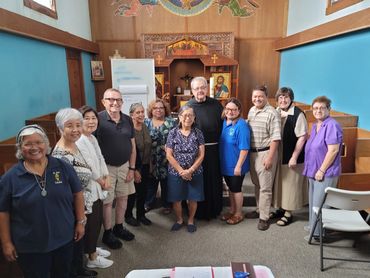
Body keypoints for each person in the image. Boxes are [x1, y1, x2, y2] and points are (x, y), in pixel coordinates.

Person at [0, 125, 85, 278]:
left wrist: (80, 221)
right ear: (20, 148)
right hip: (30, 246)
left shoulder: (62, 167)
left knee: (64, 274)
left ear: (46, 144)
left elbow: (78, 194)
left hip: (64, 239)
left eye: (39, 142)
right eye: (28, 144)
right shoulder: (10, 178)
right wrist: (6, 242)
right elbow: (3, 212)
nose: (34, 147)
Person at [52, 108, 100, 277]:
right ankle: (75, 272)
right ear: (59, 128)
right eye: (69, 126)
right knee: (72, 242)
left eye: (78, 125)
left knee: (78, 242)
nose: (75, 129)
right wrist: (79, 217)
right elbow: (64, 191)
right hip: (71, 208)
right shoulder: (60, 156)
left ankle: (79, 269)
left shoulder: (74, 145)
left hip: (82, 205)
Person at [95, 88, 136, 250]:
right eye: (110, 99)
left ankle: (119, 227)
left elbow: (132, 146)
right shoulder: (97, 119)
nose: (115, 103)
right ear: (103, 101)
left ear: (122, 102)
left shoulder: (127, 119)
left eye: (118, 99)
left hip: (125, 166)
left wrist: (132, 168)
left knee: (123, 198)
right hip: (106, 168)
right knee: (107, 201)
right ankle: (108, 232)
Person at [76, 106, 114, 269]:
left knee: (96, 220)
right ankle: (91, 257)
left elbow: (100, 158)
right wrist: (101, 180)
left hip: (99, 183)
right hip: (89, 187)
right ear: (80, 121)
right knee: (91, 222)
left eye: (94, 118)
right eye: (87, 118)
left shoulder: (91, 137)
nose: (91, 121)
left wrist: (106, 176)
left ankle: (92, 249)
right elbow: (88, 165)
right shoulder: (80, 140)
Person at [303, 96, 343, 239]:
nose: (318, 110)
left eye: (322, 107)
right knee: (314, 200)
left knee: (320, 204)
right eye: (315, 108)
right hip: (313, 170)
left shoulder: (332, 125)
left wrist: (321, 170)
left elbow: (333, 150)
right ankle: (313, 226)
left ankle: (318, 234)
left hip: (325, 172)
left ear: (328, 109)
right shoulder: (315, 125)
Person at [187, 76, 224, 220]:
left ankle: (214, 209)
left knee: (213, 180)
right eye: (197, 88)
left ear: (207, 88)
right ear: (192, 90)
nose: (200, 91)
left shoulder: (216, 105)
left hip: (214, 150)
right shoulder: (188, 106)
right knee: (197, 181)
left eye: (202, 87)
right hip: (195, 151)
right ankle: (197, 212)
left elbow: (224, 125)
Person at [246, 85, 281, 231]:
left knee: (265, 187)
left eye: (260, 96)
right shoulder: (252, 110)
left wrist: (270, 158)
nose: (257, 99)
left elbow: (276, 138)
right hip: (253, 153)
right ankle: (259, 209)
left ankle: (264, 217)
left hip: (266, 153)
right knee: (257, 184)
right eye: (255, 96)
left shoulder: (272, 113)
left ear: (266, 97)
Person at [166, 105, 205, 233]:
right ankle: (179, 220)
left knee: (193, 197)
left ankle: (190, 220)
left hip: (195, 171)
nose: (188, 118)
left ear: (194, 118)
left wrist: (190, 170)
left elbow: (201, 154)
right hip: (175, 172)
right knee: (176, 198)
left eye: (191, 115)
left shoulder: (198, 133)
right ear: (179, 117)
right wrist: (181, 171)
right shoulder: (172, 133)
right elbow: (169, 154)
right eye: (185, 115)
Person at [273, 87, 308, 227]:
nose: (283, 100)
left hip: (292, 154)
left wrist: (294, 156)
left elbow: (302, 137)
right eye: (280, 97)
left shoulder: (298, 114)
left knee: (290, 184)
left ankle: (289, 213)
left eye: (286, 97)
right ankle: (281, 208)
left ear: (291, 99)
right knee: (280, 183)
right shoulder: (276, 112)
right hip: (278, 154)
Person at [219, 98, 250, 225]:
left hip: (236, 165)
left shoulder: (241, 125)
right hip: (226, 164)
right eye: (228, 109)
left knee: (236, 188)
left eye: (233, 109)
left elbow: (244, 148)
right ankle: (232, 210)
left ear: (239, 111)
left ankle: (238, 214)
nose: (230, 112)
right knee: (231, 188)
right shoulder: (224, 123)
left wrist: (238, 166)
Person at [144, 99, 176, 214]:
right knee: (150, 182)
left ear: (165, 109)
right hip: (150, 158)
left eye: (161, 108)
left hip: (167, 157)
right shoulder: (146, 123)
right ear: (151, 110)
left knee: (167, 182)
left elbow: (176, 139)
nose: (158, 110)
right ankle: (148, 203)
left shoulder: (172, 122)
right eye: (155, 108)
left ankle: (167, 204)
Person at [124, 103, 153, 226]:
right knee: (132, 193)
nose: (141, 114)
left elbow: (148, 146)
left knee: (143, 192)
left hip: (146, 165)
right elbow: (129, 151)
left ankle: (141, 215)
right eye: (138, 112)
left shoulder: (145, 126)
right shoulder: (128, 130)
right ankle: (128, 216)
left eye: (142, 112)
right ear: (131, 115)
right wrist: (135, 170)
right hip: (134, 167)